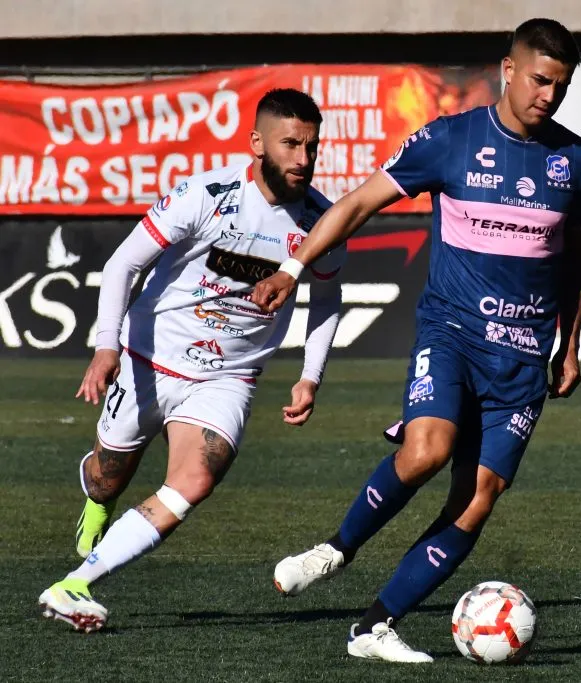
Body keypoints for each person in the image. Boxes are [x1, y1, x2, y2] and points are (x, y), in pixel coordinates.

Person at [250, 18, 581, 664]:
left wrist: (568, 346)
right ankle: (336, 548)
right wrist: (292, 269)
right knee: (425, 451)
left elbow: (577, 262)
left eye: (562, 85)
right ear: (509, 70)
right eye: (541, 80)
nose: (549, 96)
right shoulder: (450, 139)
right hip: (454, 333)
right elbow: (356, 205)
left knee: (479, 497)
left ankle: (374, 626)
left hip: (522, 361)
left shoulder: (576, 161)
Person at [38, 88, 346, 632]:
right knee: (108, 477)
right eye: (291, 144)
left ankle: (74, 584)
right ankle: (98, 501)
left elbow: (326, 300)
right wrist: (106, 345)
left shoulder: (322, 222)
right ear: (257, 144)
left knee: (196, 478)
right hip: (149, 355)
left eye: (312, 146)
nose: (303, 158)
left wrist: (310, 376)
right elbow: (122, 264)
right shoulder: (206, 195)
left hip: (229, 375)